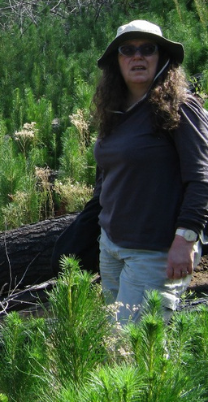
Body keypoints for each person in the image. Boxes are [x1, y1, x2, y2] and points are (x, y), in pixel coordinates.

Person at [91, 20, 208, 324]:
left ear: (161, 57)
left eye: (147, 49)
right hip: (112, 247)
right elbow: (106, 174)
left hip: (156, 251)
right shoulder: (114, 111)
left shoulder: (181, 108)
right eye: (127, 50)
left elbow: (202, 179)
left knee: (136, 348)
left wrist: (185, 240)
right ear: (117, 61)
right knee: (119, 344)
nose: (137, 56)